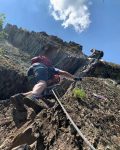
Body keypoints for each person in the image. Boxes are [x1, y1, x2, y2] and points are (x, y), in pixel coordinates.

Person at [11, 60, 82, 114]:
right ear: (55, 76)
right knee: (42, 83)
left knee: (39, 88)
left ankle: (19, 96)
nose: (54, 82)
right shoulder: (51, 69)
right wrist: (74, 78)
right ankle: (33, 96)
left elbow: (41, 90)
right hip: (39, 68)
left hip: (30, 74)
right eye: (56, 80)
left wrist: (48, 104)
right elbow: (63, 72)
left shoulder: (44, 78)